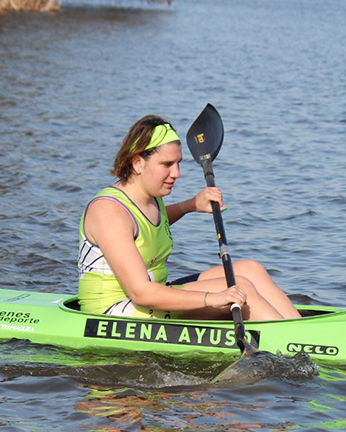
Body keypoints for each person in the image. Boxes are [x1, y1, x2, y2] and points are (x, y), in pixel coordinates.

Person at [78, 115, 301, 321]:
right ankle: (296, 344)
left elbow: (146, 228)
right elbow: (141, 292)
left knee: (250, 270)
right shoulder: (109, 211)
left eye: (178, 163)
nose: (177, 173)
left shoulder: (149, 197)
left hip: (154, 291)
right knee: (240, 286)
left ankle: (300, 332)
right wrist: (212, 299)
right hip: (112, 311)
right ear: (137, 163)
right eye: (166, 165)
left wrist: (190, 206)